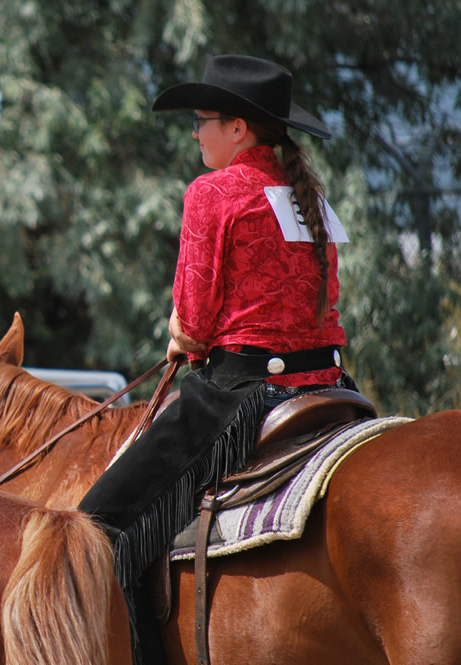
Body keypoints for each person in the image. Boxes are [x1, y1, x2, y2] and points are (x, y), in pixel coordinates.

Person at [78, 55, 358, 660]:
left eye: (203, 120)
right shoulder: (310, 197)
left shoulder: (214, 191)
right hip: (331, 385)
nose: (196, 132)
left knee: (96, 528)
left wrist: (179, 333)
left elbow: (197, 324)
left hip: (243, 392)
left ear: (239, 129)